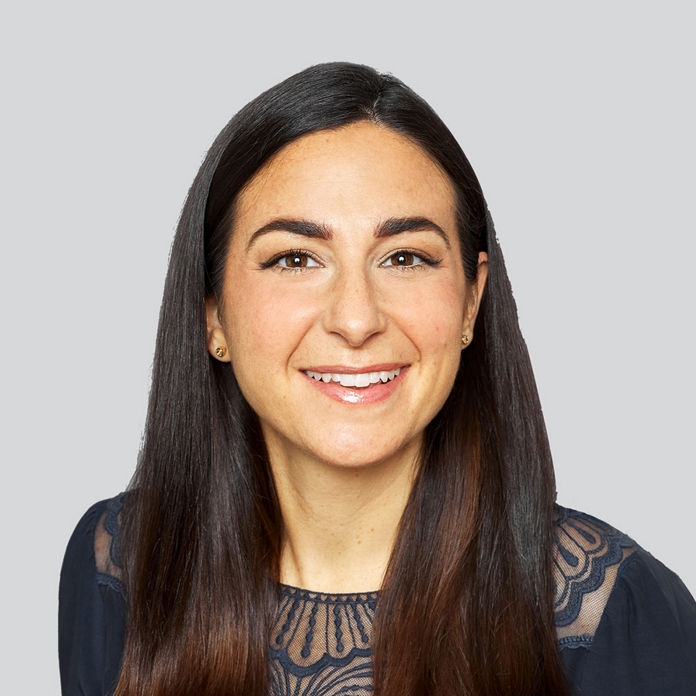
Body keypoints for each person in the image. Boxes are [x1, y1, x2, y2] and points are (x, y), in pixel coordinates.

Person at [58, 61, 696, 696]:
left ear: (471, 302)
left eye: (405, 257)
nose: (357, 319)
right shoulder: (119, 570)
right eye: (295, 259)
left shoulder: (608, 612)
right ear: (213, 314)